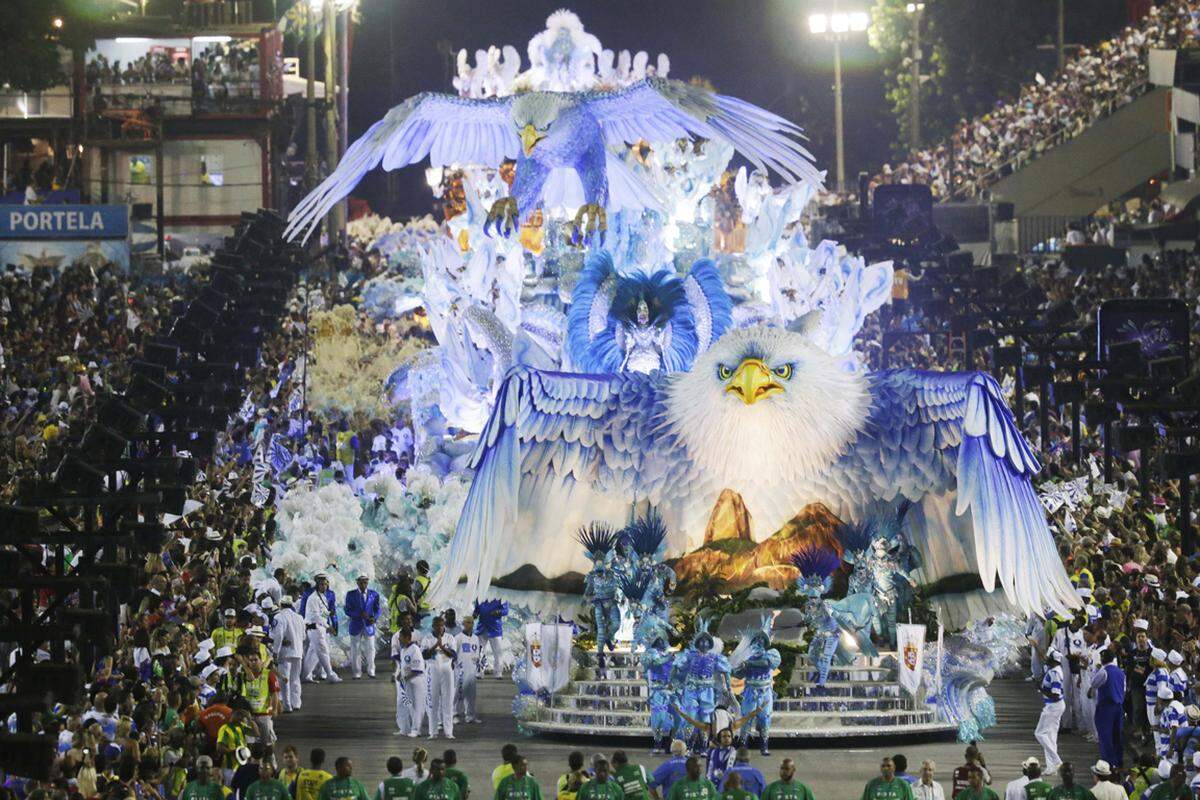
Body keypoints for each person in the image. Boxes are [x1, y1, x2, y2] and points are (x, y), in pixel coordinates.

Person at [1089, 648, 1126, 768]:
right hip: (1119, 706)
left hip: (1106, 707)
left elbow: (1094, 683)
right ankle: (1118, 761)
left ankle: (1108, 762)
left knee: (1105, 735)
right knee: (1117, 735)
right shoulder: (1121, 672)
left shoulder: (1103, 671)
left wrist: (1096, 669)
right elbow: (1124, 689)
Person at [301, 573, 342, 683]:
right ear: (317, 585)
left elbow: (323, 614)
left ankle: (305, 676)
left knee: (313, 655)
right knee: (323, 651)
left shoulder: (323, 597)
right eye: (321, 584)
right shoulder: (313, 598)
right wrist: (328, 626)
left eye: (325, 584)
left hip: (320, 628)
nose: (324, 586)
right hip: (315, 628)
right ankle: (330, 675)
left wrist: (329, 613)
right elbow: (315, 616)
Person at [422, 616, 457, 739]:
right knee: (433, 702)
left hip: (447, 673)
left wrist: (442, 647)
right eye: (437, 625)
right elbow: (425, 655)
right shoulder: (427, 638)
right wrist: (435, 645)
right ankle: (433, 732)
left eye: (441, 625)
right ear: (433, 626)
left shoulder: (450, 638)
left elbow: (454, 654)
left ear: (444, 626)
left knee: (448, 701)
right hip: (432, 672)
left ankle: (449, 732)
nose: (439, 628)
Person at [1035, 649, 1067, 774]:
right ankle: (1051, 767)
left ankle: (1057, 761)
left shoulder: (1054, 673)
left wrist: (1040, 689)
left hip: (1053, 706)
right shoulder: (1056, 670)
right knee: (1050, 737)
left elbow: (1055, 694)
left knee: (1040, 733)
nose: (1046, 659)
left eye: (1049, 657)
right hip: (1056, 705)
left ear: (1054, 660)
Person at [272, 595, 305, 712]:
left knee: (284, 679)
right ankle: (296, 703)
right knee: (295, 679)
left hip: (285, 652)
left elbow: (278, 635)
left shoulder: (279, 617)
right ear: (291, 605)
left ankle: (287, 705)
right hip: (298, 651)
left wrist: (275, 651)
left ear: (280, 605)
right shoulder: (300, 618)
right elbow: (304, 636)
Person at [345, 574, 381, 679]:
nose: (363, 584)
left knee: (371, 648)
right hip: (355, 625)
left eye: (365, 582)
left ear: (368, 583)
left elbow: (377, 609)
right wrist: (358, 614)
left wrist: (374, 618)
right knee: (355, 649)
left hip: (369, 625)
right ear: (357, 583)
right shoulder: (350, 594)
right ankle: (357, 672)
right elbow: (347, 610)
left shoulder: (374, 594)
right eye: (361, 582)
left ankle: (371, 670)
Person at [395, 628, 427, 737]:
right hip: (406, 682)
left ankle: (416, 730)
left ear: (408, 638)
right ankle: (404, 728)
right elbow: (404, 666)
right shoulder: (404, 650)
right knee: (404, 704)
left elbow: (417, 669)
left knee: (417, 706)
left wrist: (405, 678)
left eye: (401, 637)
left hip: (416, 682)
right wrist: (400, 673)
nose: (399, 639)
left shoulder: (415, 649)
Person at [455, 615, 482, 724]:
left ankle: (470, 715)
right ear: (463, 624)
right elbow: (454, 653)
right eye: (468, 622)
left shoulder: (476, 638)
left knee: (471, 694)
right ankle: (454, 714)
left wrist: (478, 669)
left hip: (472, 670)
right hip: (460, 670)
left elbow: (477, 654)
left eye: (471, 622)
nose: (470, 625)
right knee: (458, 693)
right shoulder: (458, 638)